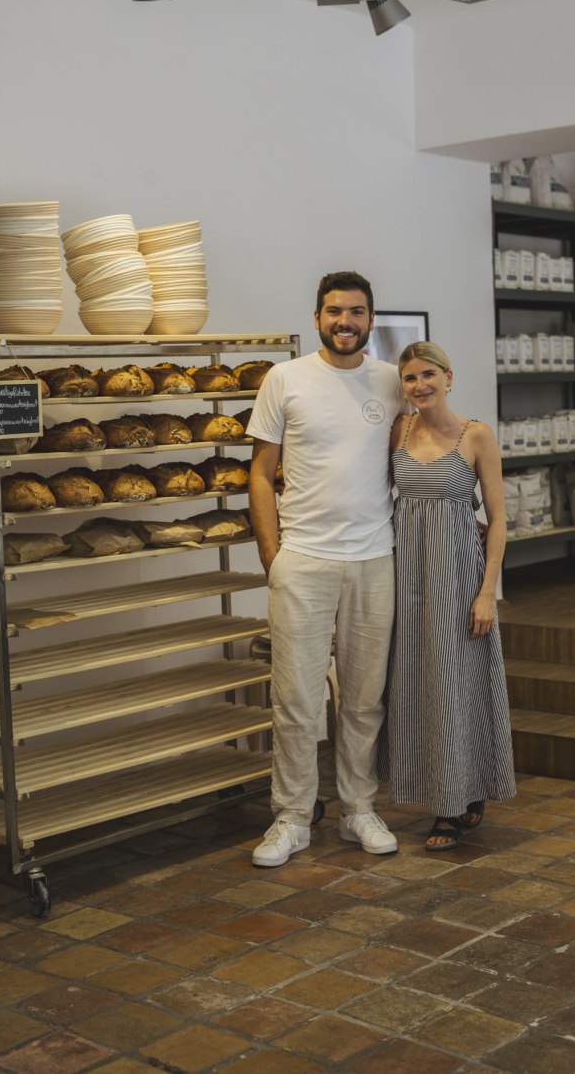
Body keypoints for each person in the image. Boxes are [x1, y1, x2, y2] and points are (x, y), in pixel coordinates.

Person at [248, 270, 404, 867]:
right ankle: (291, 817)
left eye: (357, 312)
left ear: (370, 319)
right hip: (304, 561)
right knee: (296, 699)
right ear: (317, 318)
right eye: (334, 311)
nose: (346, 321)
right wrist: (273, 555)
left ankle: (357, 808)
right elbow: (261, 473)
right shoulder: (284, 377)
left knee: (365, 699)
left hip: (374, 559)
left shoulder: (393, 382)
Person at [379, 340, 516, 851]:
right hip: (407, 575)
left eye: (429, 374)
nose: (420, 385)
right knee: (418, 683)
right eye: (411, 378)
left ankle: (454, 804)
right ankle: (445, 790)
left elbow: (499, 519)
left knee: (459, 685)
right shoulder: (398, 430)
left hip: (459, 576)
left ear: (449, 377)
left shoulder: (476, 435)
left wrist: (487, 593)